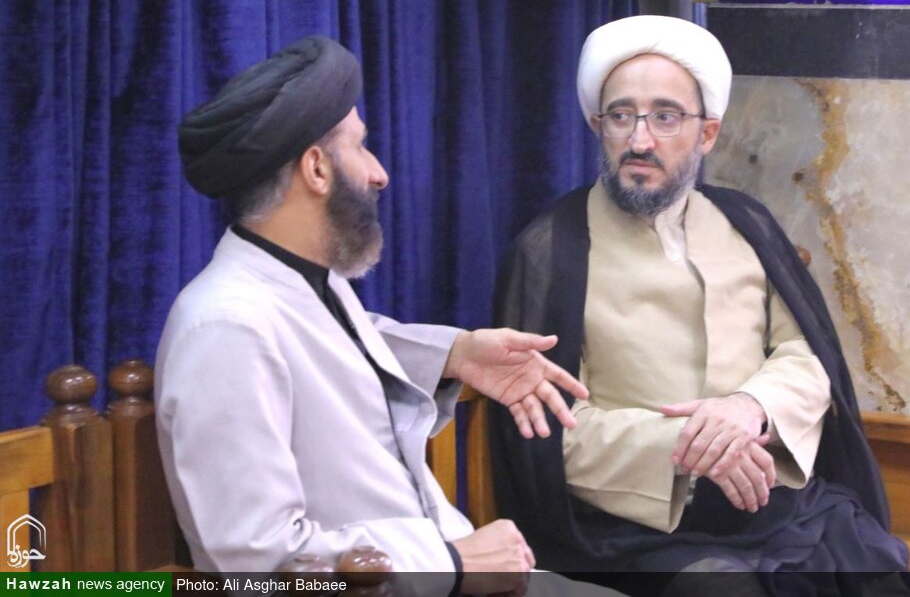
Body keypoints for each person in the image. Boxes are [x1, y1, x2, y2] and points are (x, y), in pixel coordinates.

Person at [490, 16, 910, 596]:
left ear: (706, 134)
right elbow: (547, 431)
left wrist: (749, 407)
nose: (640, 141)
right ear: (599, 127)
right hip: (632, 532)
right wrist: (690, 446)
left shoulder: (746, 222)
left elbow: (807, 354)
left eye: (665, 117)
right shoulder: (551, 249)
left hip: (777, 506)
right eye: (621, 116)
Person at [156, 35, 610, 597]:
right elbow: (257, 562)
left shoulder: (304, 287)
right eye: (361, 147)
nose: (379, 174)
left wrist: (459, 354)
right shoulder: (225, 327)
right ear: (317, 169)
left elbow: (339, 346)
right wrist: (452, 563)